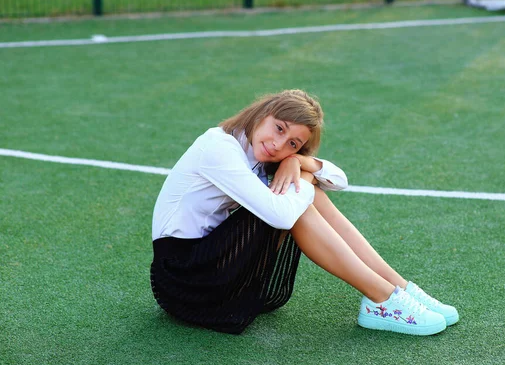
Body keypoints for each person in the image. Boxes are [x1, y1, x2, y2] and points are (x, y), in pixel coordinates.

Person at [151, 89, 458, 335]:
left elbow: (340, 180)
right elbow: (282, 217)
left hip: (212, 262)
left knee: (303, 195)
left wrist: (301, 162)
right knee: (294, 203)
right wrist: (302, 174)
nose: (277, 144)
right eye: (279, 128)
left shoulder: (261, 153)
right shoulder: (219, 148)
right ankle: (381, 298)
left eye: (292, 143)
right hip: (183, 277)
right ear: (262, 114)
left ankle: (398, 287)